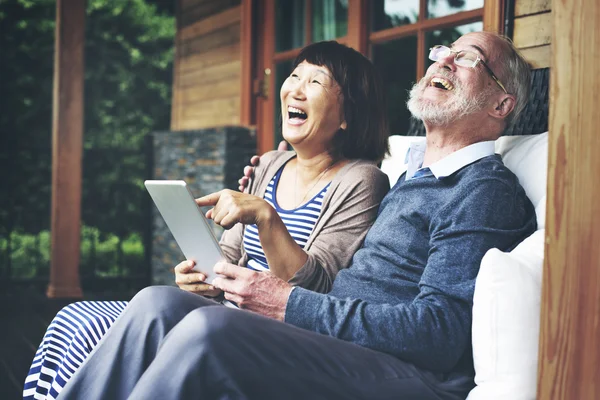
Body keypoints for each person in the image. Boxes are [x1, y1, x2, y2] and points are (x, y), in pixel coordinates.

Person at [57, 31, 538, 400]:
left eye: (469, 58)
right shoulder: (412, 178)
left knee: (211, 329)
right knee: (155, 304)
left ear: (501, 104)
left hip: (407, 374)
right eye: (443, 51)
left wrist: (288, 303)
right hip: (339, 342)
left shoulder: (484, 190)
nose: (445, 59)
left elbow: (439, 335)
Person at [23, 41, 390, 400]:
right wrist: (204, 278)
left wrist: (265, 216)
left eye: (316, 82)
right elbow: (228, 257)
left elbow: (319, 289)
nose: (296, 88)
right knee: (77, 318)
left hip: (280, 330)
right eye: (294, 75)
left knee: (145, 307)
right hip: (225, 307)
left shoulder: (361, 179)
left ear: (347, 116)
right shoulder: (270, 164)